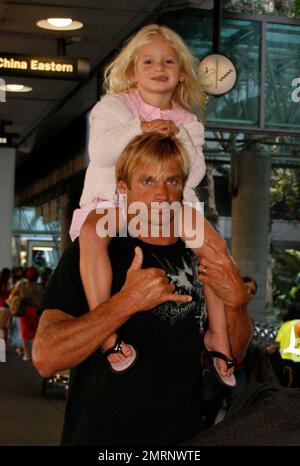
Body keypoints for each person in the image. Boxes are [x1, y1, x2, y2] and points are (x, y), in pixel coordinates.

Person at [33, 133, 252, 446]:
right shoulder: (95, 251)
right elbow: (45, 357)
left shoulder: (200, 251)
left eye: (172, 181)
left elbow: (236, 351)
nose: (161, 194)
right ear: (124, 188)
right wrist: (125, 303)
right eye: (148, 181)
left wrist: (239, 305)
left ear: (183, 188)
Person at [69, 23, 235, 383]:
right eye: (148, 62)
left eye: (168, 62)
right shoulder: (112, 106)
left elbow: (191, 177)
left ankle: (218, 332)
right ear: (132, 70)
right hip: (115, 203)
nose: (159, 69)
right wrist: (142, 128)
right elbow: (100, 152)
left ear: (181, 74)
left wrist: (178, 139)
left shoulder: (188, 121)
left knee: (216, 249)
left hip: (169, 210)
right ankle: (106, 331)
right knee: (92, 232)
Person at [9, 267, 43, 361]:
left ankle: (26, 354)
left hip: (24, 310)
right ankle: (36, 354)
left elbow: (12, 294)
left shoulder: (22, 284)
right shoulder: (40, 286)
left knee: (24, 332)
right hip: (37, 311)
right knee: (36, 332)